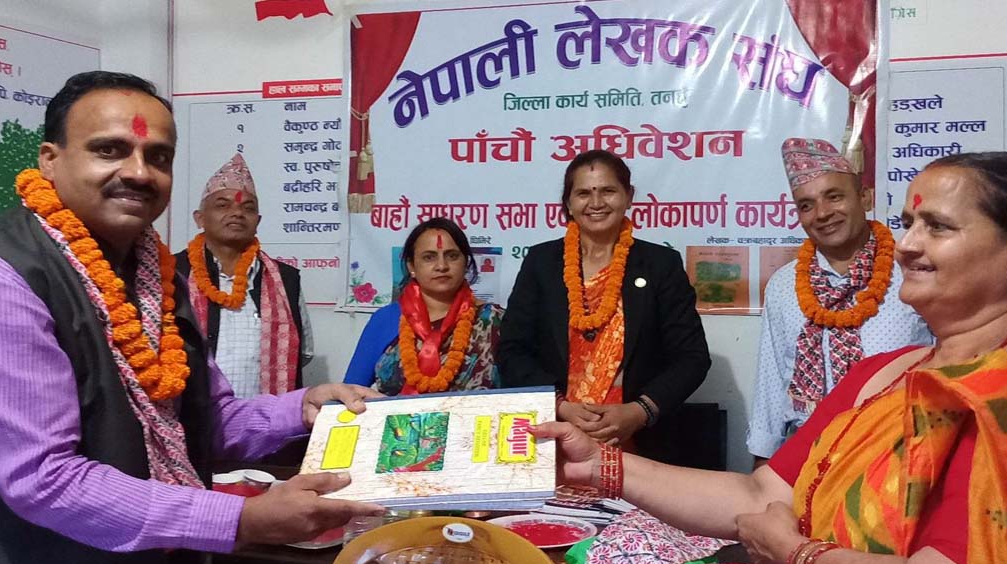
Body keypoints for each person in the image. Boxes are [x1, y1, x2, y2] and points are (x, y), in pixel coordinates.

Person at [538, 152, 1007, 564]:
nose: (907, 245)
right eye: (907, 223)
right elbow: (758, 493)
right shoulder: (886, 371)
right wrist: (599, 466)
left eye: (938, 228)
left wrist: (795, 555)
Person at [0, 71, 384, 564]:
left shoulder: (154, 274)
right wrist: (242, 520)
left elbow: (200, 420)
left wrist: (303, 408)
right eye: (109, 150)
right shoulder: (3, 277)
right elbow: (44, 479)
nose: (139, 172)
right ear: (50, 160)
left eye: (159, 156)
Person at [499, 149, 711, 454]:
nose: (596, 203)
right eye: (583, 193)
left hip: (637, 440)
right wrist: (559, 405)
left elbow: (692, 358)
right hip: (553, 433)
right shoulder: (541, 262)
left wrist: (639, 411)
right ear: (568, 202)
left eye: (608, 191)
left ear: (628, 196)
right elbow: (512, 349)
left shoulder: (660, 265)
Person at [749, 138, 931, 464]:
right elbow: (772, 380)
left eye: (834, 197)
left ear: (865, 197)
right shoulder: (784, 285)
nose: (822, 214)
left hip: (898, 453)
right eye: (806, 205)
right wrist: (763, 461)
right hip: (806, 453)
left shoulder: (914, 272)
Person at [176, 152, 314, 397]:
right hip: (191, 414)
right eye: (222, 205)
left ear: (257, 221)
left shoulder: (285, 279)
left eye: (247, 208)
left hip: (264, 415)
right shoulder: (173, 272)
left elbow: (302, 353)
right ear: (200, 218)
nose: (237, 213)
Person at [344, 217, 503, 394]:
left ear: (465, 262)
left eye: (452, 256)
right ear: (411, 266)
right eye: (429, 257)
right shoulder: (386, 319)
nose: (441, 266)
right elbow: (351, 391)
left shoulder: (495, 320)